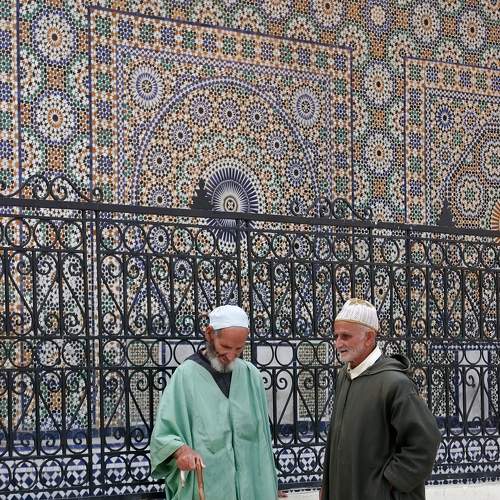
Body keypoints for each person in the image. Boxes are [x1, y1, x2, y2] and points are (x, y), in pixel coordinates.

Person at [150, 304, 283, 499]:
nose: (231, 356)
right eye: (225, 347)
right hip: (209, 488)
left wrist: (270, 482)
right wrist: (182, 451)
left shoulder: (251, 375)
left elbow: (262, 441)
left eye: (239, 349)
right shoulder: (185, 376)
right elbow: (163, 436)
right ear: (210, 334)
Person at [320, 298, 441, 500]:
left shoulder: (396, 384)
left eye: (346, 336)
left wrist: (387, 485)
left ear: (369, 338)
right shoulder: (345, 375)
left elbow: (425, 442)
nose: (338, 343)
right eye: (336, 336)